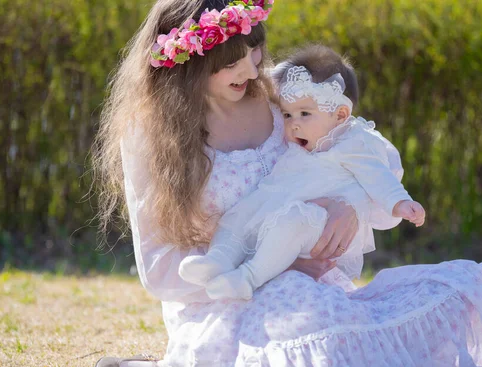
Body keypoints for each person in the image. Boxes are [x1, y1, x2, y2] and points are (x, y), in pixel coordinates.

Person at [91, 0, 482, 367]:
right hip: (222, 299)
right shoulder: (153, 136)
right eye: (230, 62)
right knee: (305, 323)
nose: (249, 67)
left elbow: (367, 154)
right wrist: (277, 265)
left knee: (457, 292)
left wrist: (348, 205)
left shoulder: (284, 96)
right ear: (189, 63)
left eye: (255, 49)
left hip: (314, 290)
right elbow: (160, 270)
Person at [178, 46, 426, 300]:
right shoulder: (302, 143)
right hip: (274, 205)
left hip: (315, 221)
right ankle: (218, 260)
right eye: (287, 114)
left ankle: (247, 278)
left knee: (292, 222)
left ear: (340, 114)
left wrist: (400, 202)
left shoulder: (354, 143)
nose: (292, 123)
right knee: (238, 216)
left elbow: (378, 176)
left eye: (305, 114)